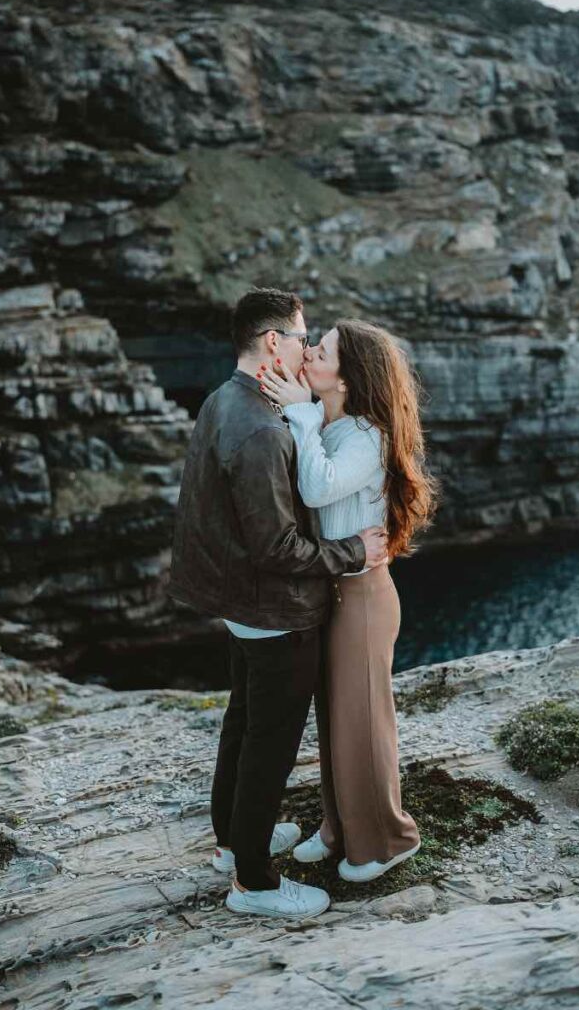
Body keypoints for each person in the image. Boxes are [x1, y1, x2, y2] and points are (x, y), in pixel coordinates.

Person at [167, 289, 389, 918]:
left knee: (241, 725)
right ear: (273, 343)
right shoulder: (264, 428)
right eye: (301, 337)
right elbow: (279, 547)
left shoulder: (223, 399)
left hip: (237, 603)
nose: (306, 346)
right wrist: (353, 552)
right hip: (276, 611)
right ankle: (255, 883)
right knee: (268, 745)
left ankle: (232, 842)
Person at [258, 318, 439, 882]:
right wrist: (303, 414)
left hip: (362, 597)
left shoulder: (367, 435)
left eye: (322, 349)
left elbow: (317, 487)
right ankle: (338, 828)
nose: (308, 352)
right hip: (331, 591)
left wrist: (302, 415)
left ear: (348, 375)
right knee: (335, 719)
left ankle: (387, 839)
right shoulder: (330, 423)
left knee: (363, 723)